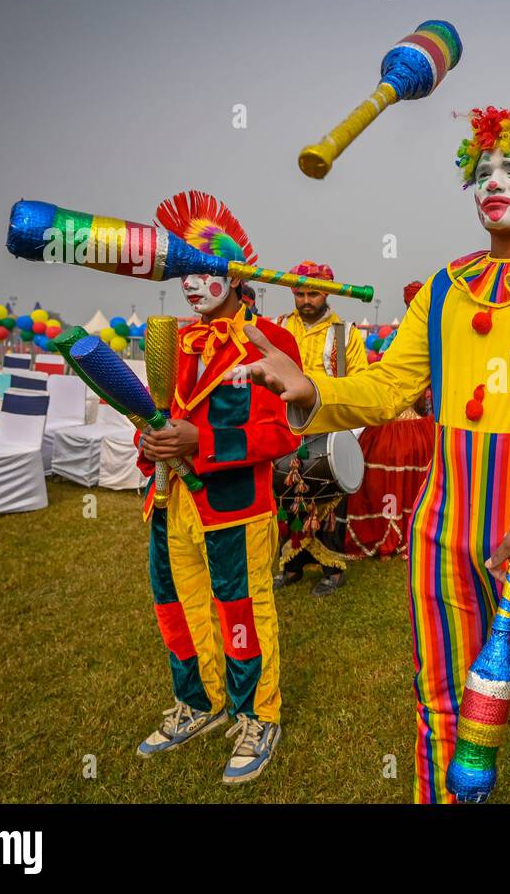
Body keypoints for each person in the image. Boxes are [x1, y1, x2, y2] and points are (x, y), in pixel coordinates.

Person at [233, 105, 510, 803]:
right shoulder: (445, 288)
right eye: (483, 170)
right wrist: (310, 387)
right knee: (440, 702)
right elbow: (388, 384)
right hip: (442, 533)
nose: (494, 182)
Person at [133, 191, 302, 784]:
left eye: (203, 272)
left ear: (235, 275)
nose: (191, 285)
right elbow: (158, 417)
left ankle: (258, 713)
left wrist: (198, 444)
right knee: (176, 606)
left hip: (235, 507)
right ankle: (199, 702)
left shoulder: (271, 342)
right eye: (183, 273)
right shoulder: (171, 340)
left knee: (242, 609)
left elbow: (280, 434)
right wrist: (150, 443)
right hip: (168, 502)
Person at [273, 261, 370, 596]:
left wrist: (347, 434)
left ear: (327, 292)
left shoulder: (345, 334)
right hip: (285, 428)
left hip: (328, 430)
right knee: (288, 498)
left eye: (313, 293)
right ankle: (291, 563)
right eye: (299, 293)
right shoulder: (280, 326)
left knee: (328, 500)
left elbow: (359, 382)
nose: (305, 300)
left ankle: (333, 568)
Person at [343, 281, 436, 559]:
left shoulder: (402, 338)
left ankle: (399, 530)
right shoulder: (418, 338)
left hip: (407, 418)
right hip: (410, 419)